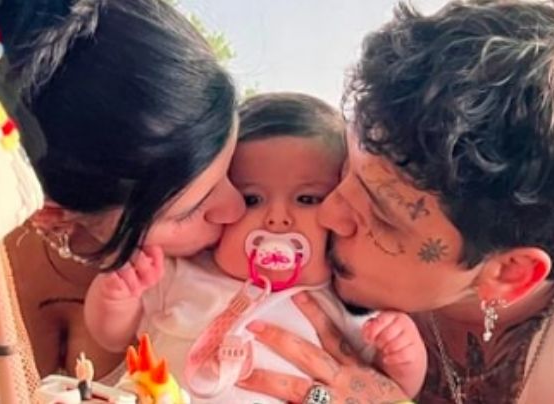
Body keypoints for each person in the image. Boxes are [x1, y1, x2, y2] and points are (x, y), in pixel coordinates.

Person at [237, 1, 554, 403]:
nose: (328, 213)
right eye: (347, 168)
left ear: (509, 272)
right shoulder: (308, 222)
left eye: (382, 216)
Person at [0, 0, 244, 401]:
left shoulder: (221, 288)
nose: (236, 209)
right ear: (52, 215)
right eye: (191, 210)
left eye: (233, 170)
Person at [84, 92, 427, 403]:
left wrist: (403, 355)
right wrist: (118, 295)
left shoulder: (348, 301)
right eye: (251, 199)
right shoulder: (182, 272)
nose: (277, 219)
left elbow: (385, 390)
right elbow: (112, 337)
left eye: (307, 199)